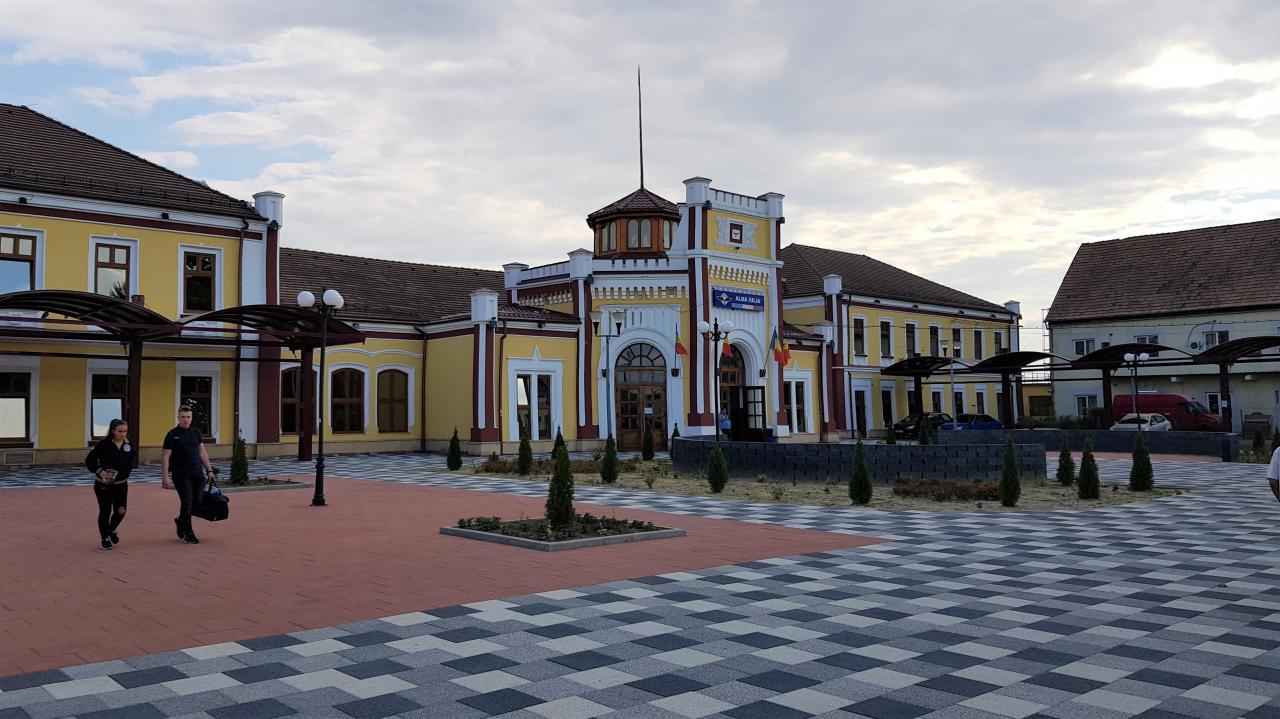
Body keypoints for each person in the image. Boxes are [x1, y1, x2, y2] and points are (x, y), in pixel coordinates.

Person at [161, 405, 215, 545]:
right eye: (183, 417)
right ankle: (188, 533)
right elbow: (166, 456)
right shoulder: (172, 434)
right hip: (181, 474)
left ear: (191, 418)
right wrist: (165, 476)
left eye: (188, 417)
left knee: (197, 503)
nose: (186, 420)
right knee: (187, 502)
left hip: (197, 473)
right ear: (178, 418)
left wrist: (209, 470)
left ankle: (180, 521)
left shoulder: (196, 432)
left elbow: (202, 452)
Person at [85, 419, 136, 551]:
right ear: (113, 431)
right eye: (120, 431)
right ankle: (104, 539)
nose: (123, 434)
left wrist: (126, 472)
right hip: (104, 485)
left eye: (125, 431)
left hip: (121, 484)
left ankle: (111, 530)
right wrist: (100, 471)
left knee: (121, 511)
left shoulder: (129, 445)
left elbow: (131, 461)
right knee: (105, 511)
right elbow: (90, 460)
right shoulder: (104, 445)